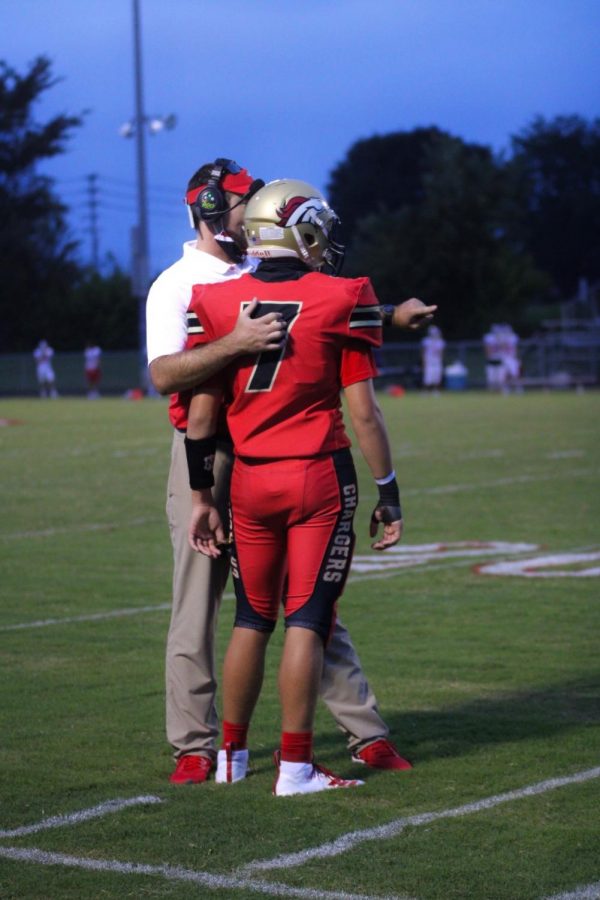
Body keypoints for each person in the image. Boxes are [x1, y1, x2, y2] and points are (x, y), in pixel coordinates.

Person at [146, 158, 436, 785]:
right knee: (213, 602)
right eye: (242, 201)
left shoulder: (242, 276)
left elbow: (310, 314)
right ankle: (199, 745)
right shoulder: (177, 284)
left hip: (250, 449)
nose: (253, 212)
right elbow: (167, 373)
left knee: (289, 607)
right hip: (224, 453)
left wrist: (387, 315)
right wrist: (236, 345)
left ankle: (350, 732)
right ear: (209, 210)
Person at [420, 325, 445, 392]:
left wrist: (440, 360)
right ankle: (425, 390)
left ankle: (436, 390)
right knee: (428, 376)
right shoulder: (426, 341)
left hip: (436, 360)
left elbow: (441, 353)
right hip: (429, 360)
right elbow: (424, 352)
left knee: (437, 375)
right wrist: (423, 361)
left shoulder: (440, 342)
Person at [483, 324, 503, 391]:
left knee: (500, 378)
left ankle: (499, 390)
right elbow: (487, 349)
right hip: (491, 360)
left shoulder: (502, 338)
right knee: (491, 378)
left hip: (499, 360)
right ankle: (492, 391)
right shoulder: (489, 338)